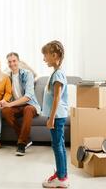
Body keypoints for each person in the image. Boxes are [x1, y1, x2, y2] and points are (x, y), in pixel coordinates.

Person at [41, 40, 69, 188]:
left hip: (56, 117)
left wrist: (51, 118)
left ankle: (61, 178)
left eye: (45, 55)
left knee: (57, 146)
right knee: (60, 145)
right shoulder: (57, 73)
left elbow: (57, 98)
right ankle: (62, 175)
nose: (44, 59)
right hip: (58, 116)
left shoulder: (58, 75)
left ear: (55, 55)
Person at [0, 52, 41, 156]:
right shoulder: (7, 77)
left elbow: (28, 96)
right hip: (16, 106)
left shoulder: (27, 74)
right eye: (9, 62)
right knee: (5, 111)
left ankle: (21, 144)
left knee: (27, 109)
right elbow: (6, 94)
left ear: (18, 61)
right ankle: (26, 139)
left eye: (14, 61)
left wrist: (10, 104)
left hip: (30, 105)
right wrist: (3, 102)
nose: (12, 64)